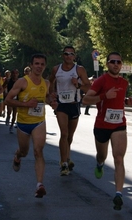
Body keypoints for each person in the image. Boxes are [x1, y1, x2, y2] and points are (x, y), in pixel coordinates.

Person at [4, 53, 57, 198]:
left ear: (45, 66)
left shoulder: (46, 83)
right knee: (24, 151)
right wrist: (25, 104)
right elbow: (8, 100)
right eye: (36, 64)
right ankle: (17, 156)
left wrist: (51, 102)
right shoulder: (22, 82)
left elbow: (46, 96)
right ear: (31, 65)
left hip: (39, 122)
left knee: (38, 151)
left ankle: (39, 185)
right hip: (23, 123)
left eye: (42, 64)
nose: (39, 66)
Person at [82, 52, 128, 211]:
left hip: (119, 125)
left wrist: (128, 101)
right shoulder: (101, 81)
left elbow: (120, 101)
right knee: (102, 155)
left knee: (119, 158)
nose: (116, 64)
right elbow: (85, 100)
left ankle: (118, 194)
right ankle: (100, 163)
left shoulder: (124, 82)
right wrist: (104, 96)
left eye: (119, 62)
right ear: (107, 64)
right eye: (113, 62)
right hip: (102, 125)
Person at [49, 46, 91, 176]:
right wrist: (52, 95)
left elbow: (88, 87)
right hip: (61, 105)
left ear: (74, 56)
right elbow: (49, 82)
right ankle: (64, 164)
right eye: (66, 54)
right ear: (63, 55)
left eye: (71, 54)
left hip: (74, 104)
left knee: (70, 136)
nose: (68, 56)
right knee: (64, 133)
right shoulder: (56, 69)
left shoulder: (79, 70)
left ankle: (67, 156)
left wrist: (78, 85)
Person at [6, 69, 20, 133]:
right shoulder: (8, 80)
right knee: (9, 111)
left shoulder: (19, 81)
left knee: (14, 114)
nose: (15, 75)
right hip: (10, 98)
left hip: (17, 99)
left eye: (16, 73)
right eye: (13, 73)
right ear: (11, 74)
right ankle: (8, 116)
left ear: (18, 74)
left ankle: (11, 126)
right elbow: (3, 87)